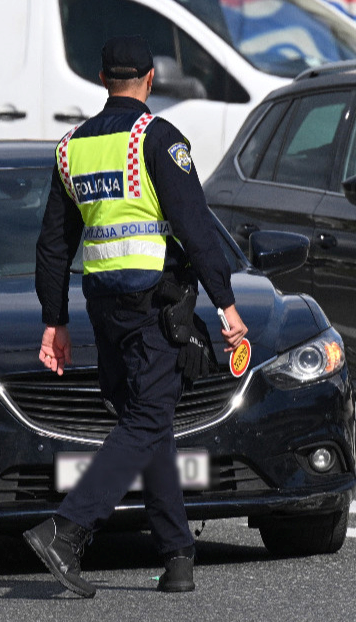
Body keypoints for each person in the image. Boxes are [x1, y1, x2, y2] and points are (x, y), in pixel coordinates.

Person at [24, 35, 248, 598]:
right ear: (150, 80)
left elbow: (54, 245)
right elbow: (195, 227)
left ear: (103, 80)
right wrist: (227, 304)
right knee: (148, 422)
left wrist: (55, 320)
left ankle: (177, 557)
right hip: (153, 305)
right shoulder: (158, 139)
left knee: (153, 426)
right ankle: (67, 530)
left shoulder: (71, 148)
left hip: (104, 307)